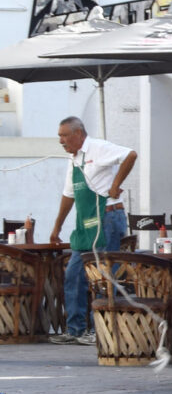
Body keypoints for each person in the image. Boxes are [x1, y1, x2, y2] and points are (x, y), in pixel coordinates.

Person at [49, 117, 136, 345]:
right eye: (59, 136)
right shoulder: (73, 159)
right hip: (86, 223)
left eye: (64, 135)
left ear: (78, 134)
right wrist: (57, 225)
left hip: (107, 217)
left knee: (103, 276)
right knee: (73, 274)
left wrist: (116, 184)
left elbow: (130, 155)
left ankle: (100, 329)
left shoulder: (98, 147)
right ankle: (76, 329)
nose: (61, 141)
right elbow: (69, 195)